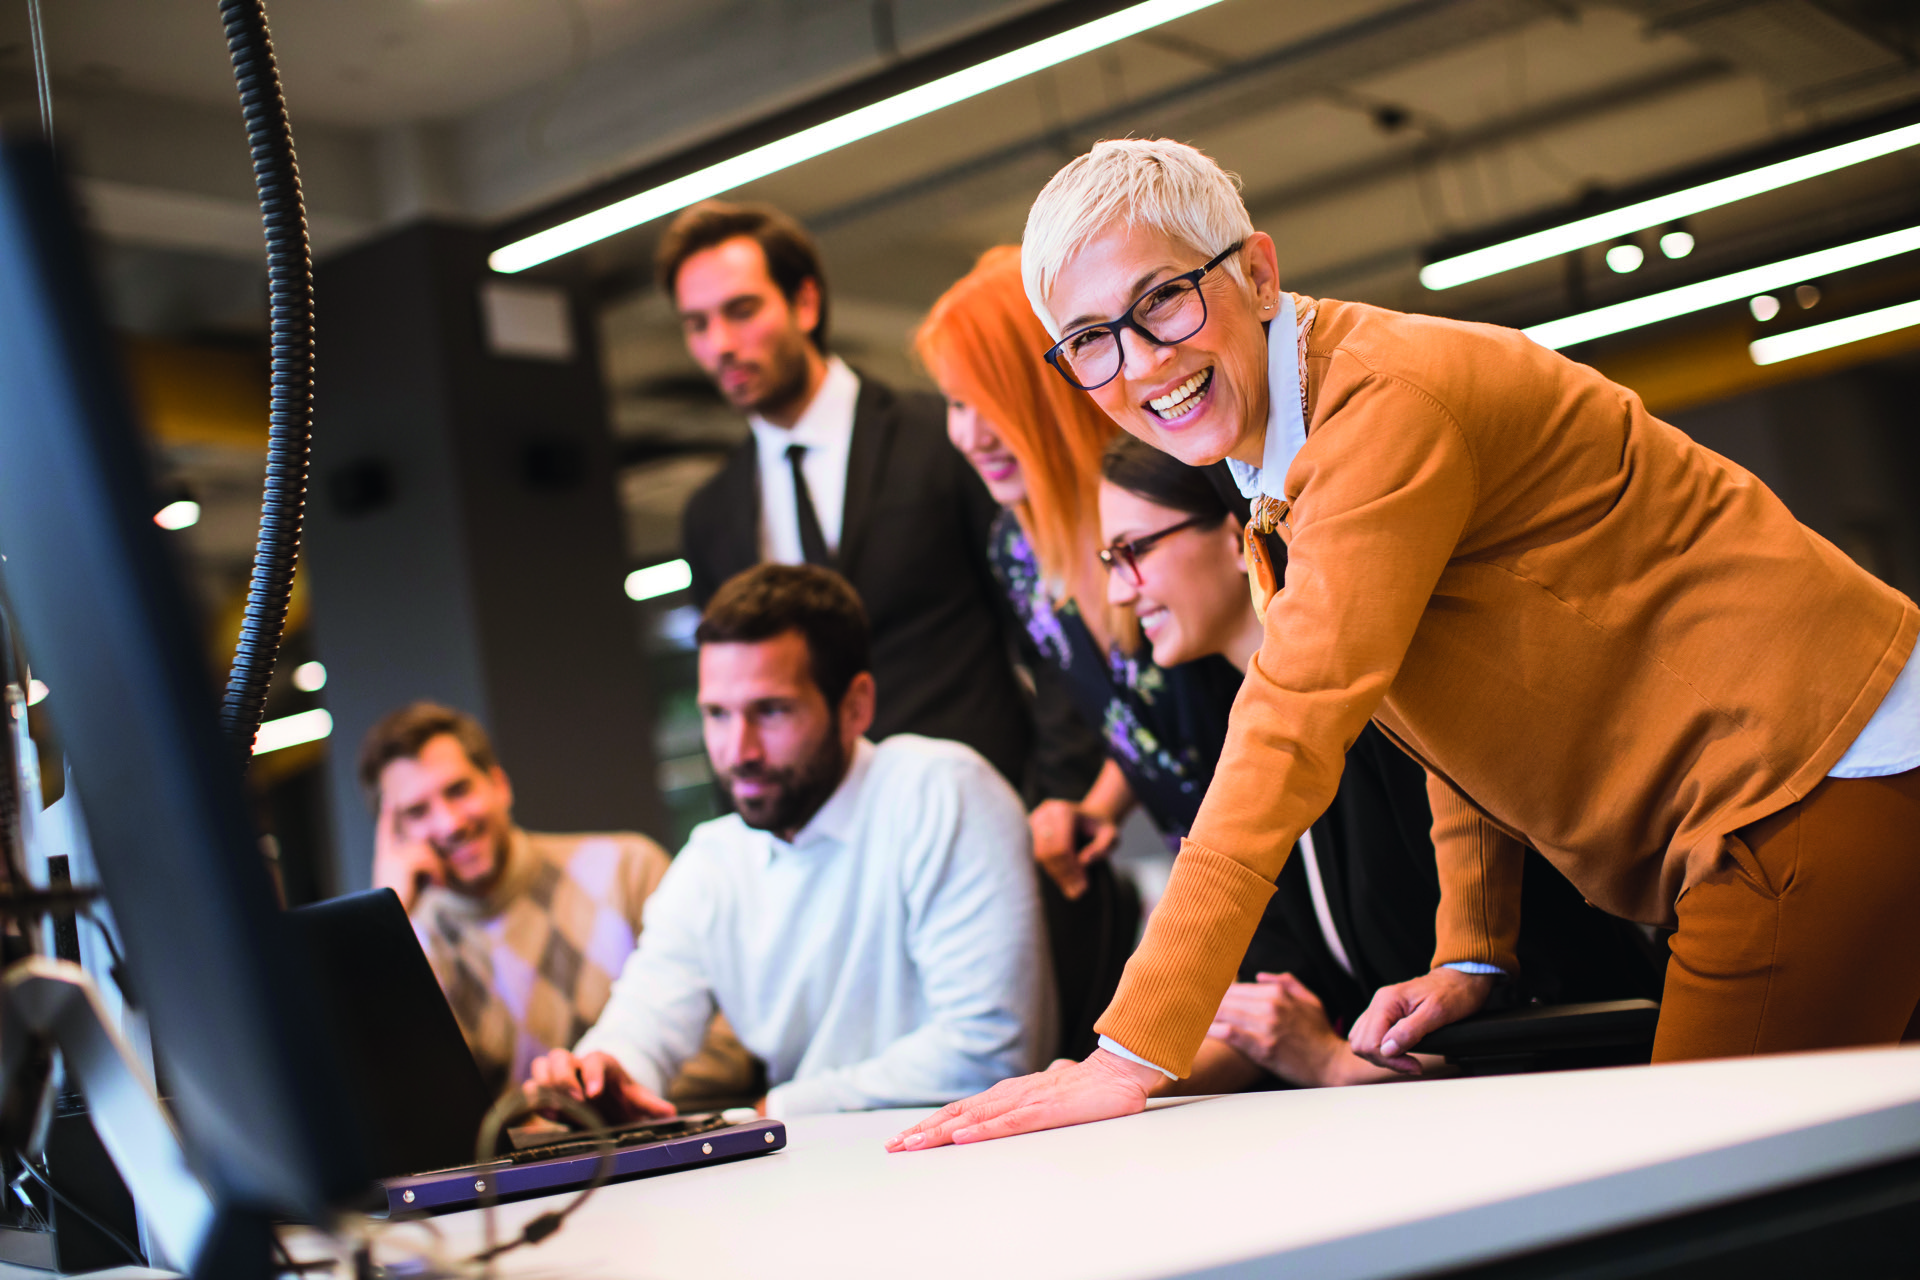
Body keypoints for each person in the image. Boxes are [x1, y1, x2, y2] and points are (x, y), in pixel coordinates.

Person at [891, 137, 1920, 1152]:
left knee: (1708, 1192)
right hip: (1791, 780)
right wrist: (1473, 951)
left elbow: (1287, 728)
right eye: (1090, 339)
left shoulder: (1379, 407)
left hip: (1811, 774)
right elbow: (1452, 704)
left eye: (1163, 298)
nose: (1143, 360)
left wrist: (1131, 1050)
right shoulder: (1284, 448)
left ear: (1257, 273)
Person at [1095, 433, 1660, 1092]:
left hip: (1589, 1090)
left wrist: (1331, 1063)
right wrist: (1112, 1081)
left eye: (1134, 551)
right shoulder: (1240, 734)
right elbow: (1271, 1008)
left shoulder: (1396, 712)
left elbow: (1535, 978)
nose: (1118, 593)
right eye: (1109, 560)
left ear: (1236, 536)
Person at [526, 564, 1054, 1118]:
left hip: (970, 1156)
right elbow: (646, 1018)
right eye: (717, 714)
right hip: (814, 1157)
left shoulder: (942, 793)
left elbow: (988, 1052)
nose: (739, 751)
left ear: (855, 705)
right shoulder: (713, 859)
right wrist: (604, 1074)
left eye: (771, 711)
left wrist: (771, 1112)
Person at [668, 201, 1036, 791]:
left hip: (988, 796)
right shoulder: (711, 516)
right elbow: (729, 694)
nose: (720, 344)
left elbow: (1042, 624)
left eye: (742, 311)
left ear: (805, 303)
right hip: (824, 825)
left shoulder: (940, 437)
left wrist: (1064, 792)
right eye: (697, 325)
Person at [913, 244, 1243, 898]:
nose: (971, 437)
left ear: (1049, 391)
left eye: (989, 404)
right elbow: (1137, 719)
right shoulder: (1018, 551)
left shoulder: (1169, 491)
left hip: (1306, 834)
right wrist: (1100, 805)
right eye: (956, 405)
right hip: (1211, 871)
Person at [360, 703, 755, 1099]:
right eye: (417, 812)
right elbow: (403, 1097)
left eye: (458, 790)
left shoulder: (628, 869)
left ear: (499, 784)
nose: (449, 824)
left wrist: (586, 1105)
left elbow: (728, 1049)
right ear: (392, 833)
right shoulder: (408, 946)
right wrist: (386, 918)